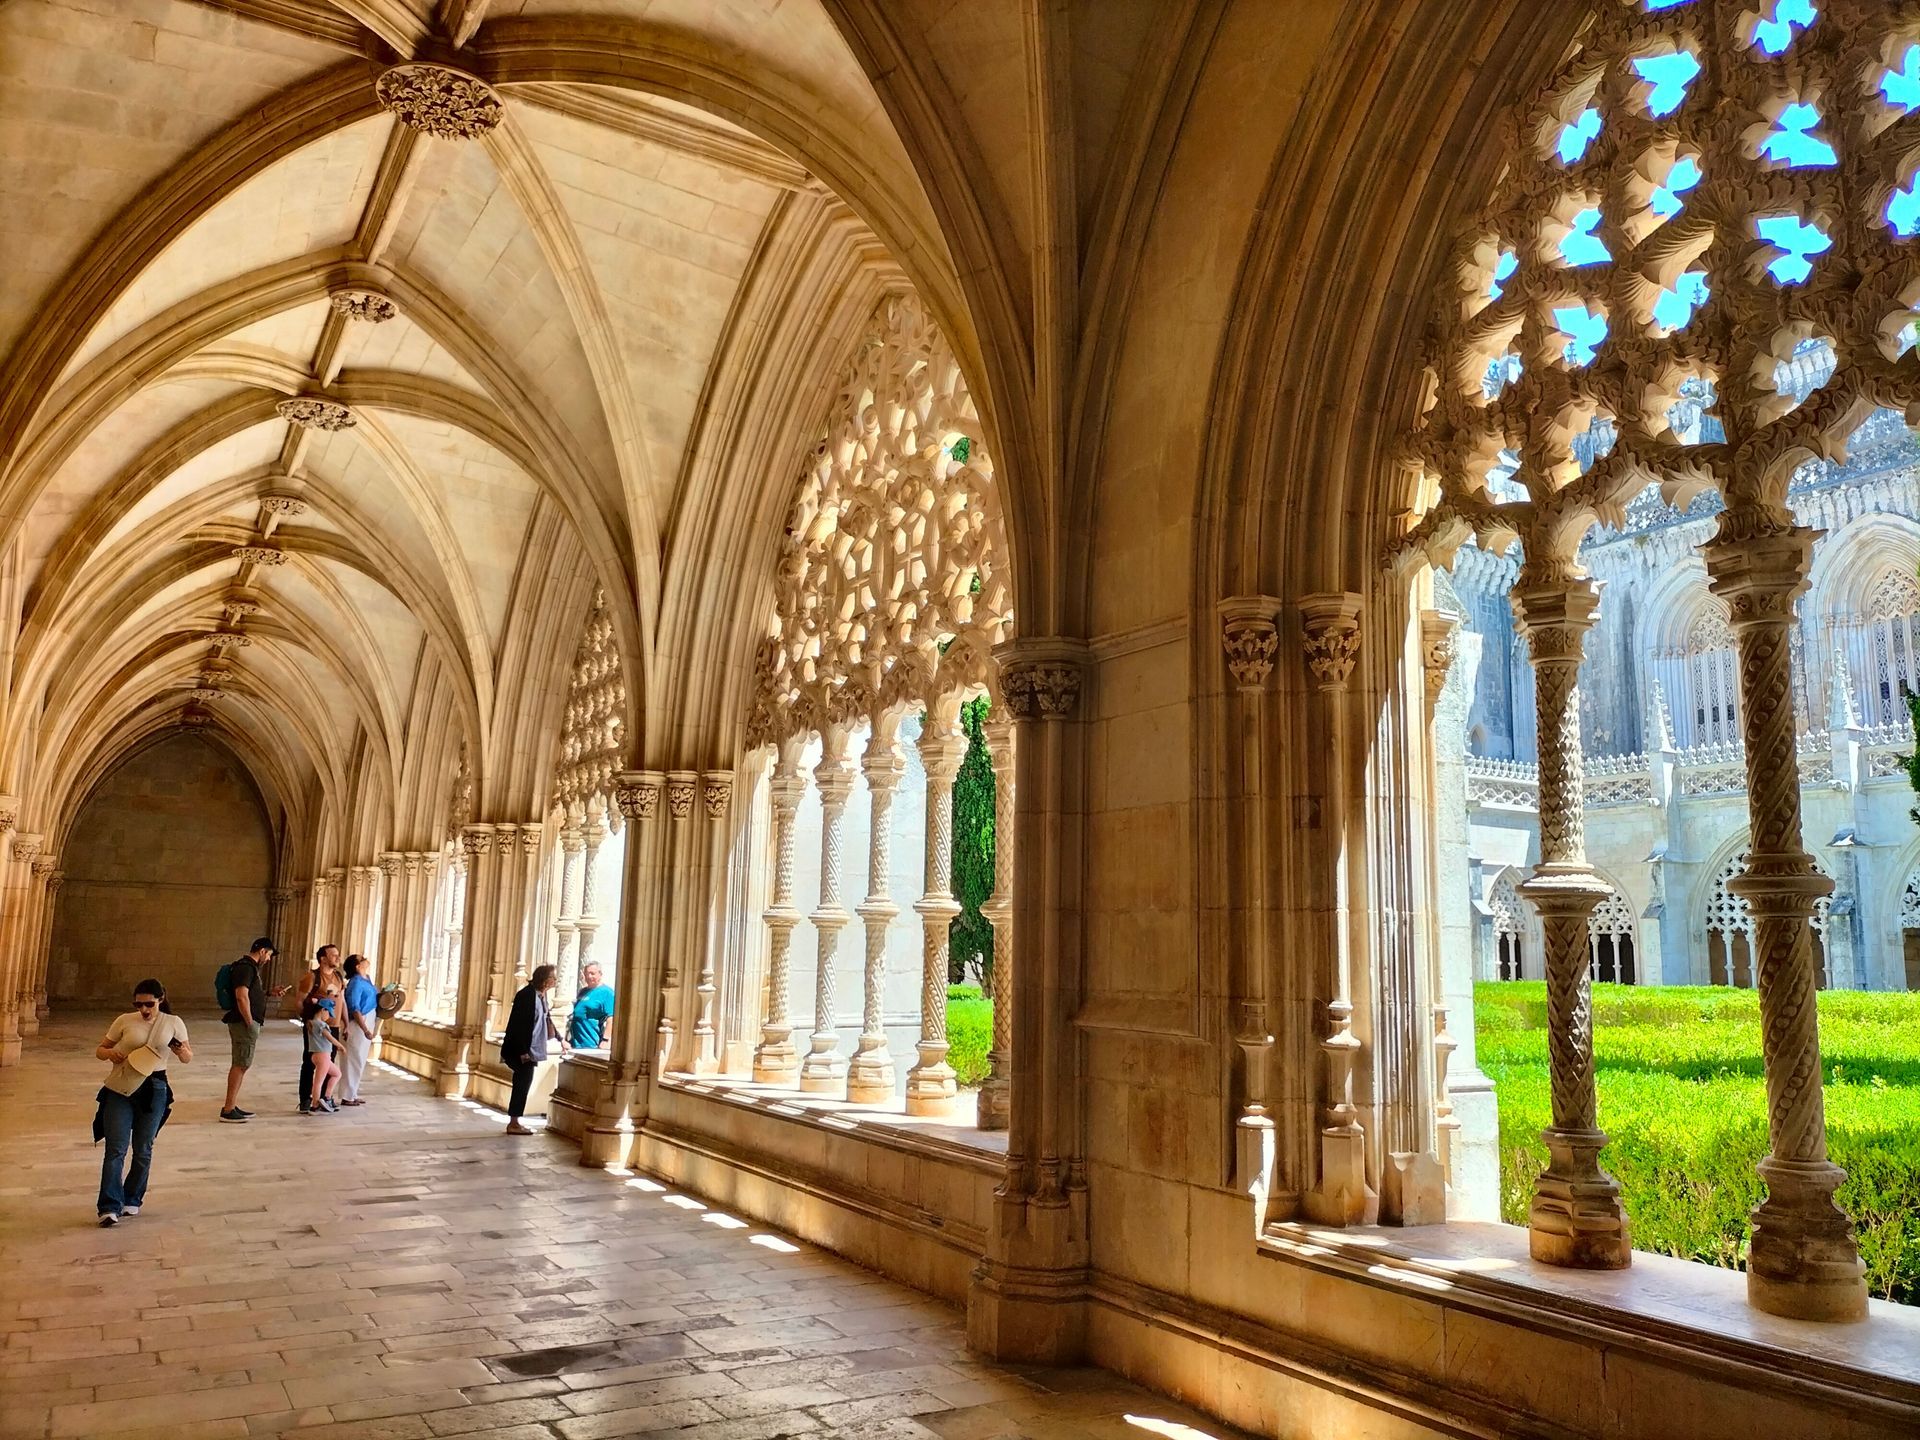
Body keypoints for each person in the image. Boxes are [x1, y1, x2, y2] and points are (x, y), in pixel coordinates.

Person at [94, 980, 191, 1226]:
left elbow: (187, 1057)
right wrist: (110, 1054)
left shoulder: (172, 1023)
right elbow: (100, 1049)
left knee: (143, 1148)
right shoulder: (125, 1020)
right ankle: (108, 1205)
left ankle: (132, 1198)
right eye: (139, 1004)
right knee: (116, 1148)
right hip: (122, 1085)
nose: (144, 1009)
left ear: (161, 999)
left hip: (154, 1087)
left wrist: (180, 1050)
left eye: (149, 1004)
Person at [500, 964, 568, 1136]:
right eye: (553, 977)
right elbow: (518, 1025)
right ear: (545, 980)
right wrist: (523, 1052)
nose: (555, 980)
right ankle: (513, 1122)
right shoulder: (527, 996)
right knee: (521, 1084)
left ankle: (515, 1121)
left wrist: (561, 1040)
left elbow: (547, 1019)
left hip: (532, 1049)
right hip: (523, 1051)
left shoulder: (541, 996)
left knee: (524, 1083)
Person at [220, 937, 282, 1122]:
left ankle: (231, 1105)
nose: (269, 959)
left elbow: (250, 994)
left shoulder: (248, 968)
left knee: (242, 1063)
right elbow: (241, 996)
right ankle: (228, 1109)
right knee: (240, 1064)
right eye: (269, 954)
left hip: (245, 1022)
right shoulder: (246, 968)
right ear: (262, 951)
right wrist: (249, 1022)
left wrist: (269, 993)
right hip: (243, 1023)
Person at [296, 945, 342, 1113]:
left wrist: (343, 1022)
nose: (338, 958)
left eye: (338, 955)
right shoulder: (312, 977)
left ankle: (324, 1098)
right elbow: (299, 1001)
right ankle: (305, 1100)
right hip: (315, 1027)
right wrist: (307, 1021)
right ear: (323, 958)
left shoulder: (338, 977)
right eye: (334, 955)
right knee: (310, 1062)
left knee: (329, 1063)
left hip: (333, 1026)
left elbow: (341, 1001)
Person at [338, 954, 379, 1106]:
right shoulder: (355, 983)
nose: (367, 958)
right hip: (358, 1023)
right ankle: (347, 1096)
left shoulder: (366, 979)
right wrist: (365, 1029)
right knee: (352, 1059)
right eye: (362, 958)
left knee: (359, 1059)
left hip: (368, 1018)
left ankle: (352, 1093)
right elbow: (354, 1007)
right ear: (357, 966)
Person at [302, 994, 340, 1114]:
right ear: (322, 1010)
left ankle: (327, 1098)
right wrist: (341, 1046)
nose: (328, 1016)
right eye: (328, 1013)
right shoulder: (321, 1025)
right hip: (323, 1056)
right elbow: (330, 1038)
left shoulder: (310, 1023)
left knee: (337, 1074)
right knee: (318, 1081)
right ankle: (314, 1105)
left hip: (317, 1055)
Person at [566, 962, 615, 1050]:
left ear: (600, 974)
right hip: (575, 1043)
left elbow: (611, 1019)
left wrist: (606, 1040)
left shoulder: (607, 993)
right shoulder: (583, 991)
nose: (589, 977)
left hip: (592, 1043)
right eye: (586, 974)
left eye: (592, 973)